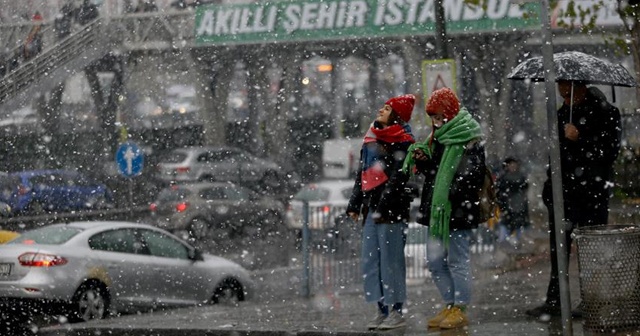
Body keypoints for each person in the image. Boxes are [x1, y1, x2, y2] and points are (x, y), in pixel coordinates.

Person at [525, 81, 621, 318]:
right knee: (559, 249)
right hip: (563, 194)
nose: (565, 99)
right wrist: (550, 188)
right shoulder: (561, 114)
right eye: (562, 95)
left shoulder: (606, 113)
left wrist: (580, 138)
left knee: (590, 251)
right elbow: (556, 154)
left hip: (592, 193)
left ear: (581, 89)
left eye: (568, 94)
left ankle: (591, 299)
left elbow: (609, 152)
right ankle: (555, 300)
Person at [402, 87, 485, 329]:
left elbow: (473, 176)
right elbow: (434, 174)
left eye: (439, 116)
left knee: (458, 260)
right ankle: (450, 304)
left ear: (449, 112)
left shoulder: (469, 137)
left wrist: (450, 191)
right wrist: (424, 162)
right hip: (437, 210)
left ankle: (460, 307)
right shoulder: (438, 138)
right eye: (433, 118)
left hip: (457, 210)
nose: (436, 122)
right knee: (435, 260)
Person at [346, 94, 416, 331]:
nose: (381, 110)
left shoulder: (403, 141)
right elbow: (362, 174)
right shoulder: (371, 138)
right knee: (370, 260)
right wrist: (355, 204)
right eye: (383, 106)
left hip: (392, 210)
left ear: (397, 115)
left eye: (387, 108)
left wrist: (384, 201)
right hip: (371, 209)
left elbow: (399, 176)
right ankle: (381, 308)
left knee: (391, 261)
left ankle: (396, 310)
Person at [495, 156, 530, 246]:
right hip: (507, 209)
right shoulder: (503, 178)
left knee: (518, 233)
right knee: (505, 232)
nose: (513, 167)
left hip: (518, 208)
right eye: (511, 165)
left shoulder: (521, 177)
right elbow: (499, 193)